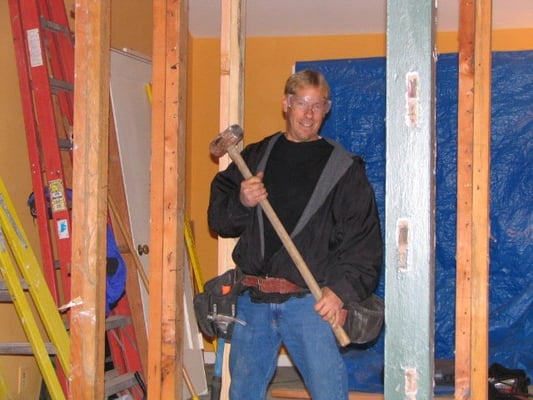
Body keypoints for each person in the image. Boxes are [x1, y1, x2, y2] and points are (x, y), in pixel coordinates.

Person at [208, 69, 383, 399]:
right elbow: (220, 220)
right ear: (286, 103)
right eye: (302, 103)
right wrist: (243, 201)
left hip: (310, 303)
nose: (309, 114)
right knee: (243, 391)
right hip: (254, 299)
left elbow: (364, 241)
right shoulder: (256, 156)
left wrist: (339, 291)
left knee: (329, 391)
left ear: (327, 109)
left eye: (318, 105)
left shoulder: (343, 168)